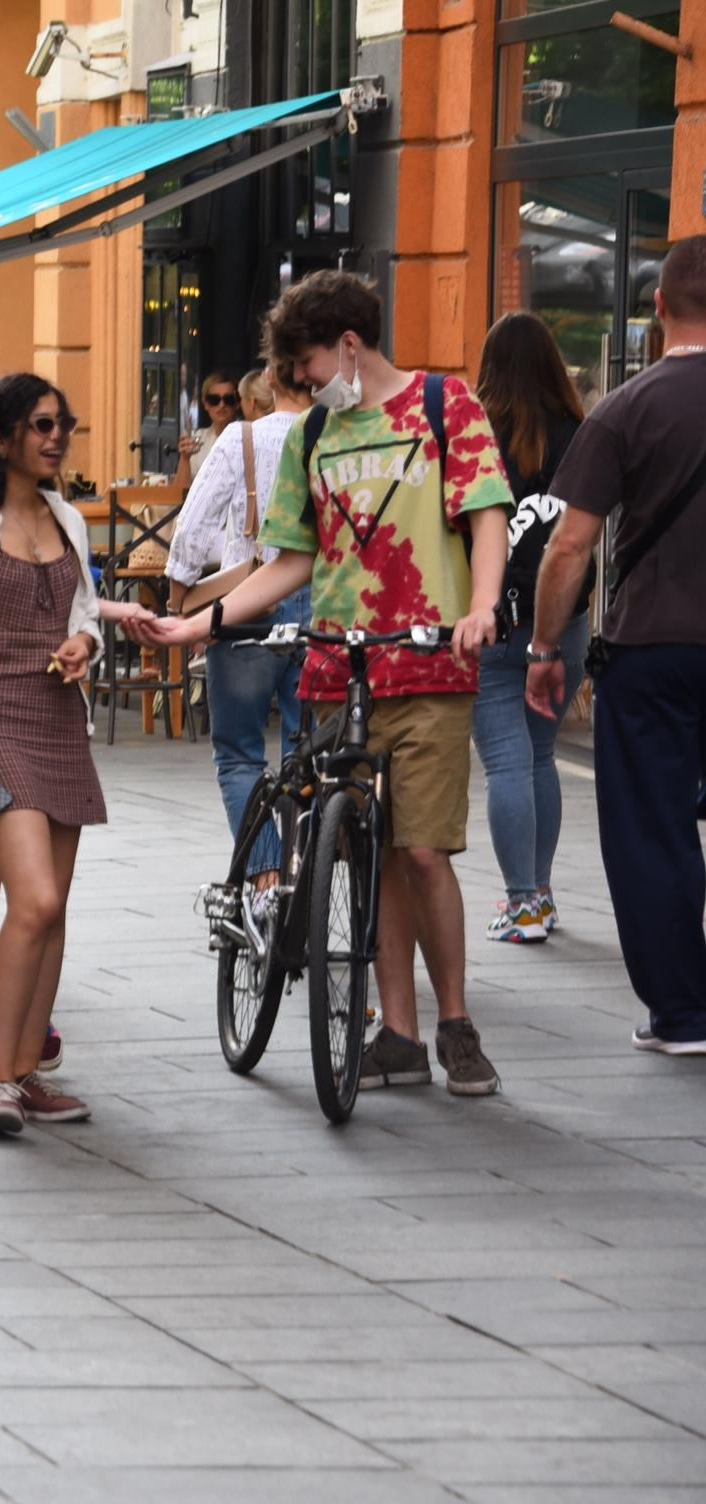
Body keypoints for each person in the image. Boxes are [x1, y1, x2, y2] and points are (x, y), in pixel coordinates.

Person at [136, 270, 513, 1097]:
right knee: (358, 851)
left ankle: (454, 1024)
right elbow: (292, 563)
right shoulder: (313, 438)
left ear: (349, 344)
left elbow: (488, 514)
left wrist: (482, 605)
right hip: (337, 672)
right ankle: (397, 1035)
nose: (306, 383)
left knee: (421, 852)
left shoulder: (446, 408)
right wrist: (202, 624)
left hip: (429, 663)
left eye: (309, 364)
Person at [0, 374, 144, 1134]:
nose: (56, 436)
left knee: (52, 911)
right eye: (41, 425)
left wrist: (85, 641)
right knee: (31, 898)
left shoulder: (67, 518)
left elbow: (82, 611)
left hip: (59, 723)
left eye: (62, 423)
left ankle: (27, 1073)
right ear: (3, 435)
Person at [526, 235, 706, 1053]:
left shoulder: (625, 408)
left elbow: (570, 546)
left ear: (659, 307)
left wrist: (543, 648)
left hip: (651, 648)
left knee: (652, 826)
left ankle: (681, 1011)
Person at [164, 357, 314, 897]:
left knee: (238, 752)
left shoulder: (241, 441)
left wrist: (181, 600)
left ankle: (266, 873)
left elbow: (194, 526)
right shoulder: (338, 435)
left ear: (270, 380)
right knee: (309, 751)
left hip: (247, 612)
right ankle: (307, 876)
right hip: (322, 613)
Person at [472, 311, 592, 944]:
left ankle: (522, 905)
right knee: (539, 755)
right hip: (562, 621)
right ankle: (539, 895)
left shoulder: (476, 433)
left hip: (492, 619)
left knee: (506, 763)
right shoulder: (581, 432)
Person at [175, 369, 242, 492]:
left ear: (237, 403)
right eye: (214, 400)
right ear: (205, 403)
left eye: (228, 399)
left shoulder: (248, 437)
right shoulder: (199, 438)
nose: (221, 405)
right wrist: (185, 459)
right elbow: (180, 493)